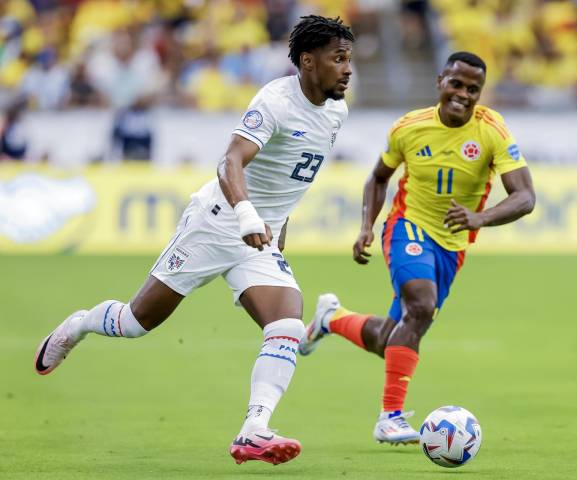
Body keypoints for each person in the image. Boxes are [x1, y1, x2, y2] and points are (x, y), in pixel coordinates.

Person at [34, 15, 354, 466]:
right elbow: (230, 163)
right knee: (136, 321)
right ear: (307, 61)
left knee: (286, 323)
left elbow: (285, 186)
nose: (347, 68)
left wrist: (276, 239)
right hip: (218, 221)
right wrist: (246, 215)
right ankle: (81, 324)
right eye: (338, 58)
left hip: (259, 239)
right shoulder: (275, 101)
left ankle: (254, 430)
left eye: (349, 59)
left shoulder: (338, 110)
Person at [299, 52, 535, 445]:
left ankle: (332, 318)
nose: (462, 94)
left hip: (452, 246)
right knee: (421, 306)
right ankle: (389, 417)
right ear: (440, 80)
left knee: (391, 337)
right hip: (408, 226)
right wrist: (366, 227)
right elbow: (377, 179)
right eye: (456, 84)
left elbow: (525, 196)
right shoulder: (409, 127)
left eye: (472, 89)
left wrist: (480, 218)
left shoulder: (493, 130)